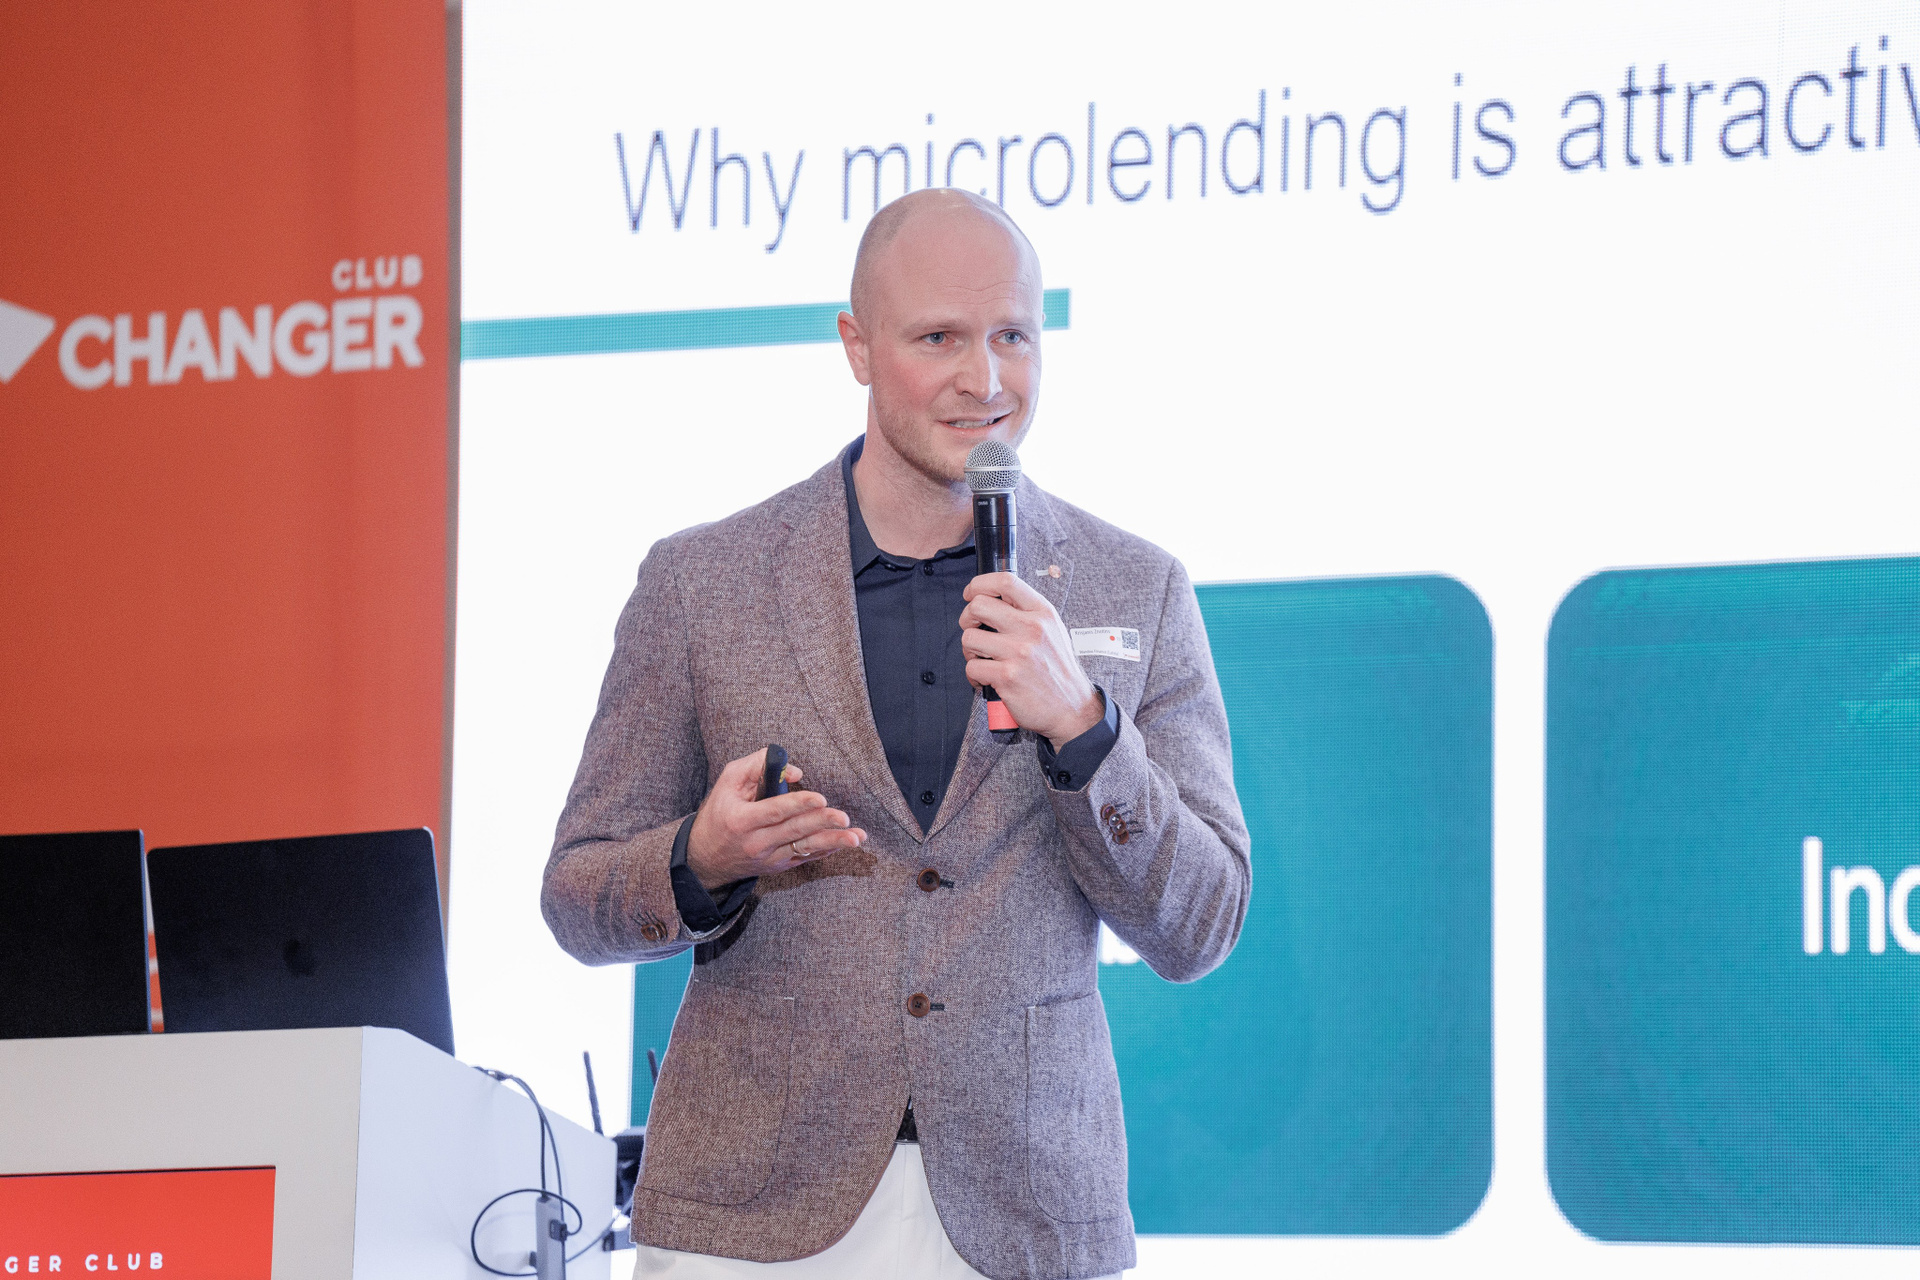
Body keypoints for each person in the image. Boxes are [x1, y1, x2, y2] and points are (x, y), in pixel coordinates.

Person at [543, 188, 1250, 1280]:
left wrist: (1085, 730)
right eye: (939, 339)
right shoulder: (701, 583)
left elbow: (1202, 923)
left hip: (1024, 1213)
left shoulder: (1136, 586)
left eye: (1013, 335)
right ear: (857, 347)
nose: (987, 380)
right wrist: (699, 860)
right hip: (752, 1216)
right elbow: (578, 895)